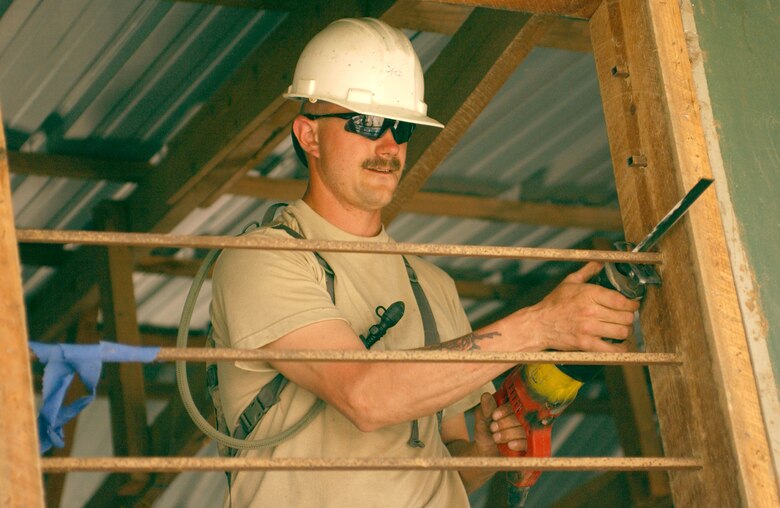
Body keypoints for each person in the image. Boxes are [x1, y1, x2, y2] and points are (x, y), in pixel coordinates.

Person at [209, 17, 638, 507]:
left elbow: (445, 466)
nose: (389, 145)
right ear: (309, 135)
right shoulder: (264, 258)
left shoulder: (431, 286)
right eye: (367, 123)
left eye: (402, 126)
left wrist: (480, 452)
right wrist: (541, 325)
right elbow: (367, 399)